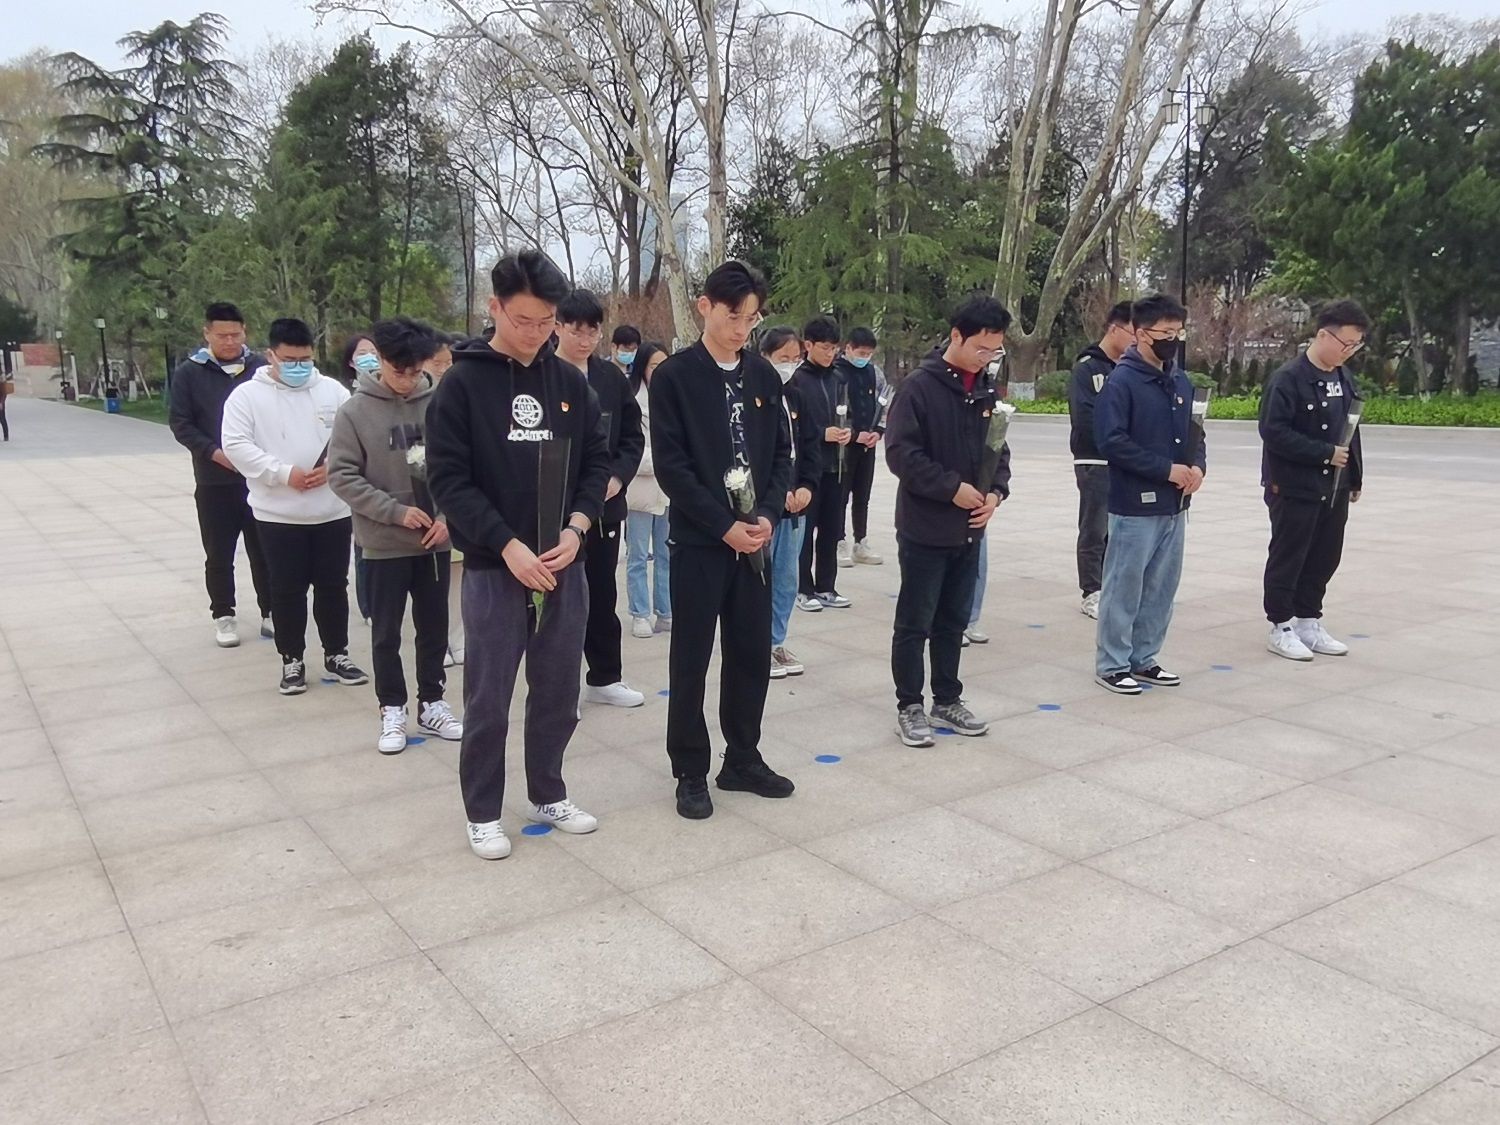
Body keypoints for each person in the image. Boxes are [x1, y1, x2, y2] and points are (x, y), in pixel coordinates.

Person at [426, 250, 609, 860]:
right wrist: (506, 544)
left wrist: (577, 528)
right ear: (495, 308)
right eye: (523, 320)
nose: (536, 333)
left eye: (546, 321)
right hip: (494, 567)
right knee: (489, 695)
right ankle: (482, 809)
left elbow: (595, 462)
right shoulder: (462, 385)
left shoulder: (569, 384)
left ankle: (547, 790)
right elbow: (450, 481)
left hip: (562, 563)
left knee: (558, 687)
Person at [650, 260, 795, 820]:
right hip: (701, 542)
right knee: (691, 657)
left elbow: (780, 454)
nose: (741, 329)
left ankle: (742, 757)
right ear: (705, 307)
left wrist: (767, 514)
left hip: (754, 539)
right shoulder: (675, 377)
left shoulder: (762, 377)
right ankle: (690, 768)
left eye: (751, 319)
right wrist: (722, 525)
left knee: (751, 653)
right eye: (733, 316)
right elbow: (673, 468)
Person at [328, 316, 464, 754]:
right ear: (381, 360)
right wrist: (394, 512)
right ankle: (392, 707)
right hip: (384, 543)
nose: (406, 380)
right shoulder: (355, 411)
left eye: (414, 371)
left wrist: (447, 516)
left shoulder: (442, 403)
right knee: (386, 632)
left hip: (435, 541)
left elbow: (464, 467)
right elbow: (342, 475)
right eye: (397, 370)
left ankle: (433, 701)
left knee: (434, 628)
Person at [885, 295, 1012, 747]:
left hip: (970, 529)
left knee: (954, 620)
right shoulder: (919, 387)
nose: (987, 357)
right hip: (926, 526)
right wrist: (950, 488)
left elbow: (999, 450)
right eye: (981, 347)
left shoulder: (986, 390)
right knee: (915, 621)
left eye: (994, 350)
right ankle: (909, 704)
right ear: (956, 336)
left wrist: (996, 493)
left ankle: (947, 698)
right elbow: (901, 454)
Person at [221, 317, 368, 696]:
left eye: (305, 359)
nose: (298, 366)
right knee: (287, 588)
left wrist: (333, 467)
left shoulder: (333, 391)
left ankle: (337, 653)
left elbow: (355, 436)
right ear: (271, 355)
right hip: (278, 514)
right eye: (289, 360)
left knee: (333, 585)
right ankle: (292, 658)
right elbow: (236, 446)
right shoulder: (246, 397)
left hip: (332, 510)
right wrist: (283, 473)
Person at [1092, 292, 1204, 695]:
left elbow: (1195, 432)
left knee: (1161, 587)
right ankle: (1112, 663)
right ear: (1141, 334)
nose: (1173, 340)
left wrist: (1197, 467)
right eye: (1165, 332)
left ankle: (1145, 657)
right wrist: (1164, 469)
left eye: (1178, 332)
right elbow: (1111, 441)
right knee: (1124, 585)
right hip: (1135, 504)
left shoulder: (1179, 379)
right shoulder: (1122, 382)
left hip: (1176, 504)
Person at [1260, 299, 1370, 661]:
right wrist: (1323, 453)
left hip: (1334, 486)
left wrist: (1354, 476)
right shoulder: (1288, 379)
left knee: (1325, 555)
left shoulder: (1343, 377)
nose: (1349, 352)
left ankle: (1309, 619)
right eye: (1345, 344)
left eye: (1355, 346)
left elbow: (1351, 429)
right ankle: (1281, 624)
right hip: (1294, 485)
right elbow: (1273, 431)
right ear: (1323, 335)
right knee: (1290, 555)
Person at [554, 289, 646, 708]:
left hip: (604, 507)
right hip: (555, 509)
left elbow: (631, 437)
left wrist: (618, 477)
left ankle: (605, 676)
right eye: (577, 331)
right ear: (558, 327)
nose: (585, 340)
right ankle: (560, 684)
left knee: (602, 592)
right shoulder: (540, 373)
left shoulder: (610, 378)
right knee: (560, 600)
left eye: (593, 332)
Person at [168, 302, 274, 648]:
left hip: (258, 477)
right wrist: (216, 454)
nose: (229, 341)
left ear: (245, 332)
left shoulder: (261, 369)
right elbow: (181, 423)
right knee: (219, 553)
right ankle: (224, 615)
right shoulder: (190, 372)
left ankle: (270, 611)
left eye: (235, 334)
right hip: (215, 479)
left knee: (265, 549)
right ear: (207, 334)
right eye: (221, 335)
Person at [761, 326, 820, 678]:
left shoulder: (798, 396)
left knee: (787, 578)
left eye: (795, 358)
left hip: (798, 503)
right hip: (768, 505)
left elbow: (810, 446)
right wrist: (776, 491)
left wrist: (808, 486)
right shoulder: (755, 395)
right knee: (761, 579)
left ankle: (776, 640)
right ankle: (759, 644)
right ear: (765, 356)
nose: (789, 365)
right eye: (783, 358)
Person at [1069, 301, 1133, 620]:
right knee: (1095, 527)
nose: (1137, 341)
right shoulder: (1087, 368)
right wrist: (1117, 440)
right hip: (1094, 460)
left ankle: (1114, 586)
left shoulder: (1131, 369)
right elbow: (1085, 418)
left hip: (1126, 462)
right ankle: (1091, 591)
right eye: (1133, 333)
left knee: (1120, 529)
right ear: (1114, 329)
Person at [792, 316, 851, 611]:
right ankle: (803, 588)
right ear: (809, 345)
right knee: (805, 531)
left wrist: (847, 431)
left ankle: (827, 586)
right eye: (825, 348)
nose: (830, 354)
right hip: (809, 467)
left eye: (834, 348)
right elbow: (794, 425)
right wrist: (820, 433)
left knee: (831, 528)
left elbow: (847, 413)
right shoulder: (797, 380)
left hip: (837, 466)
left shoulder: (838, 378)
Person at [625, 343, 672, 638]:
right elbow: (630, 447)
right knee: (639, 555)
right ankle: (640, 613)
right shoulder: (632, 401)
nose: (659, 371)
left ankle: (665, 611)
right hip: (641, 489)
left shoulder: (674, 397)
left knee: (667, 553)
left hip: (669, 489)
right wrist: (663, 461)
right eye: (654, 365)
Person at [836, 325, 886, 567]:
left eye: (868, 354)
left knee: (862, 496)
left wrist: (878, 431)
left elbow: (883, 402)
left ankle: (861, 542)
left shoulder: (874, 373)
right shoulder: (837, 372)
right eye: (861, 353)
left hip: (868, 444)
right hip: (844, 445)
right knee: (840, 496)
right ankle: (838, 541)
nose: (864, 358)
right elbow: (834, 409)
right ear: (848, 348)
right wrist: (854, 435)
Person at [342, 333, 379, 622]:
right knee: (363, 548)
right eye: (362, 354)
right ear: (351, 361)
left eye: (373, 353)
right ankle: (368, 606)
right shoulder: (345, 397)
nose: (370, 358)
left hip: (385, 481)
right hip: (358, 487)